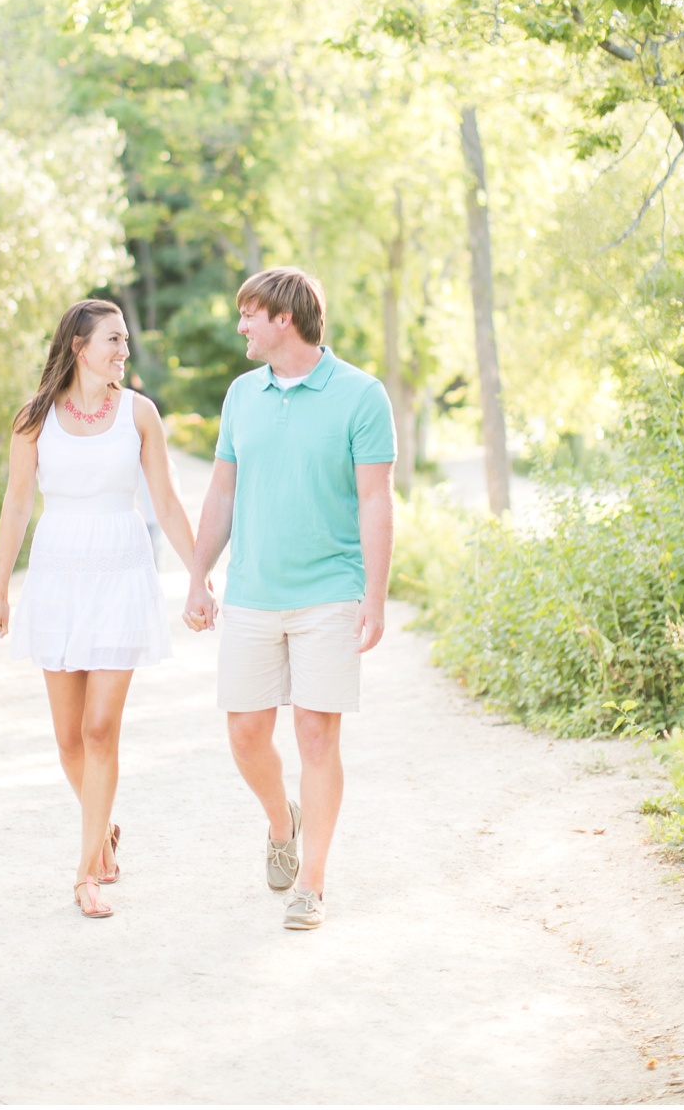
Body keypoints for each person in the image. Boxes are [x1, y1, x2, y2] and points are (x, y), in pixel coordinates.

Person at [184, 267, 394, 931]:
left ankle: (313, 881)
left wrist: (375, 597)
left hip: (328, 593)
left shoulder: (362, 395)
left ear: (285, 319)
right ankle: (283, 820)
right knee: (246, 732)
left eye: (249, 314)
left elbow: (375, 500)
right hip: (251, 592)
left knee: (315, 735)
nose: (240, 326)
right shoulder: (241, 396)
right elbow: (221, 492)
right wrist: (197, 575)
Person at [0, 299, 200, 918]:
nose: (124, 351)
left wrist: (198, 576)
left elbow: (164, 497)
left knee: (100, 730)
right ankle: (101, 828)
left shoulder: (139, 414)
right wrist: (1, 589)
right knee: (67, 738)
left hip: (120, 575)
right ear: (79, 347)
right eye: (113, 340)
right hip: (57, 580)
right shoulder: (34, 418)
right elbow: (17, 506)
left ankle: (85, 874)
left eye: (126, 340)